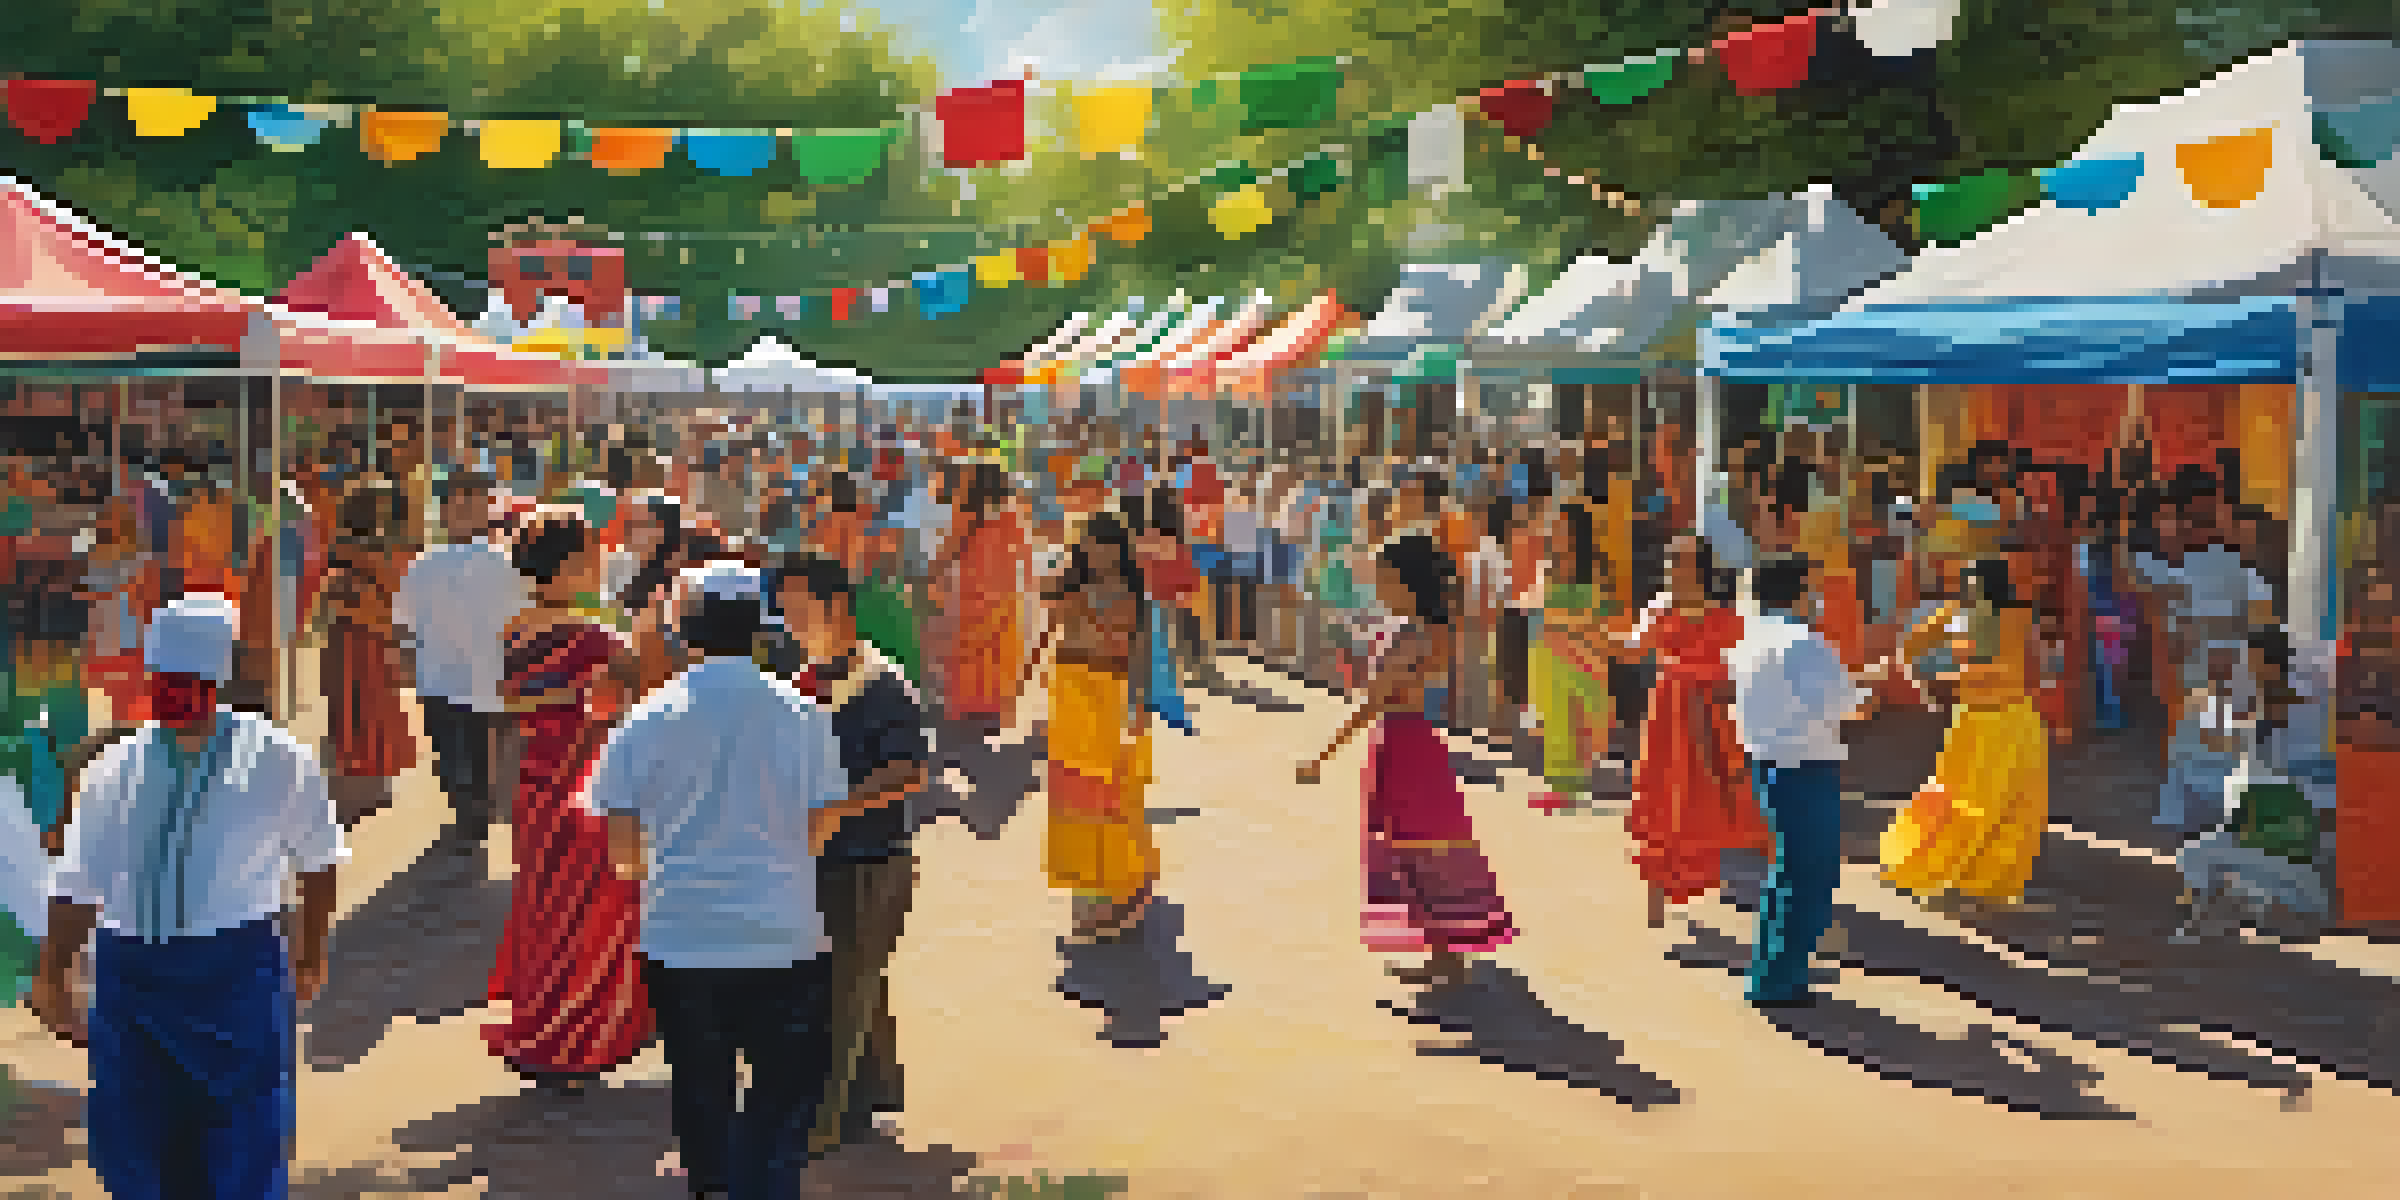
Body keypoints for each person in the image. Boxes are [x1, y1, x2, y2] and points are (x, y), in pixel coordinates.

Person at [28, 593, 343, 1197]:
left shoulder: (278, 758)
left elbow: (319, 859)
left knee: (241, 1137)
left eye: (190, 683)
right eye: (166, 682)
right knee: (135, 1141)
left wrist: (310, 954)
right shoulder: (113, 767)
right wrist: (52, 975)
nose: (176, 696)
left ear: (218, 679)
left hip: (233, 972)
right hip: (131, 977)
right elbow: (77, 881)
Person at [590, 564, 853, 1200]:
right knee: (780, 1094)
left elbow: (623, 854)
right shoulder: (806, 717)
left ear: (683, 632)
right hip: (783, 932)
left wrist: (676, 866)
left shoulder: (643, 721)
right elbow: (820, 832)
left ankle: (712, 1185)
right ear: (761, 631)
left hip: (682, 935)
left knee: (700, 1086)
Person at [1297, 535, 1516, 991]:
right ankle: (1444, 953)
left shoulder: (1414, 635)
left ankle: (1447, 959)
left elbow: (1374, 700)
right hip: (1412, 741)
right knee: (1424, 847)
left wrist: (1323, 754)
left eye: (1383, 576)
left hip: (1403, 744)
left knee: (1419, 848)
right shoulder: (1430, 631)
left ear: (1405, 581)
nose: (1376, 584)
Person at [766, 556, 932, 1153]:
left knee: (836, 991)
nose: (790, 621)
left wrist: (836, 807)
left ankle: (821, 1120)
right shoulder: (800, 680)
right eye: (784, 610)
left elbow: (909, 771)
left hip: (869, 859)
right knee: (853, 981)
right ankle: (873, 1090)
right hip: (817, 858)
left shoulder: (884, 687)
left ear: (837, 607)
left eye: (799, 608)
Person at [485, 511, 655, 1091]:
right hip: (587, 783)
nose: (598, 562)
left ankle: (545, 1024)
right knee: (592, 911)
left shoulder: (513, 630)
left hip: (535, 780)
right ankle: (574, 1037)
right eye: (587, 555)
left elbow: (510, 702)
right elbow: (631, 702)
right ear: (563, 566)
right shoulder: (596, 638)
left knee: (544, 908)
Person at [1726, 557, 1872, 1009]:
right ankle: (1778, 982)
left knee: (1787, 873)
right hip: (1805, 766)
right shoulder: (1805, 643)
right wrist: (1874, 684)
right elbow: (1847, 706)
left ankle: (1774, 973)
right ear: (1798, 591)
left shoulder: (1751, 640)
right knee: (1807, 876)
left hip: (1768, 761)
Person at [1879, 558, 2051, 911]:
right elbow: (2039, 669)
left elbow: (1907, 650)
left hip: (1986, 719)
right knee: (1998, 803)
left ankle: (1970, 875)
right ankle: (1983, 878)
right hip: (2005, 720)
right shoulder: (2013, 615)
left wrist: (1931, 686)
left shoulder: (1959, 614)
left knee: (1982, 800)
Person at [1614, 535, 1765, 928]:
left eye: (1679, 562)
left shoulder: (1728, 616)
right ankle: (1656, 895)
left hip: (1713, 718)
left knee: (1725, 797)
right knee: (1661, 797)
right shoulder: (1660, 609)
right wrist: (1594, 635)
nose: (1672, 570)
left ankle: (1769, 887)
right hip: (1669, 717)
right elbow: (1632, 650)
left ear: (1700, 569)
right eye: (1670, 562)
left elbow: (1751, 661)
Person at [1027, 512, 1159, 942]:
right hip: (1070, 697)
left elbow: (1138, 652)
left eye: (1103, 545)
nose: (1096, 552)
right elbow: (1041, 600)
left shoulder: (1131, 594)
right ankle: (1088, 899)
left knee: (1109, 796)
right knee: (1073, 799)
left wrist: (1139, 706)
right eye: (1088, 544)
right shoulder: (1070, 585)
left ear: (1119, 549)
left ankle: (1119, 893)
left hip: (1106, 697)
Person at [395, 470, 532, 847]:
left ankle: (466, 813)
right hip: (488, 679)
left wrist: (407, 666)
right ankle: (477, 813)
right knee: (480, 751)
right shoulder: (509, 563)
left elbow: (403, 624)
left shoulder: (422, 564)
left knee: (449, 752)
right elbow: (523, 623)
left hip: (438, 679)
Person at [932, 462, 1026, 735]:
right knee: (997, 658)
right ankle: (993, 713)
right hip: (1005, 601)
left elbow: (943, 557)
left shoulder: (966, 515)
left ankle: (969, 712)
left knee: (971, 656)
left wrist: (934, 580)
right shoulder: (1012, 518)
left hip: (973, 600)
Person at [2336, 562, 2400, 925]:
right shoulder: (2344, 657)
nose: (2383, 620)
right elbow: (2344, 724)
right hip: (2360, 766)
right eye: (2373, 609)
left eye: (2387, 610)